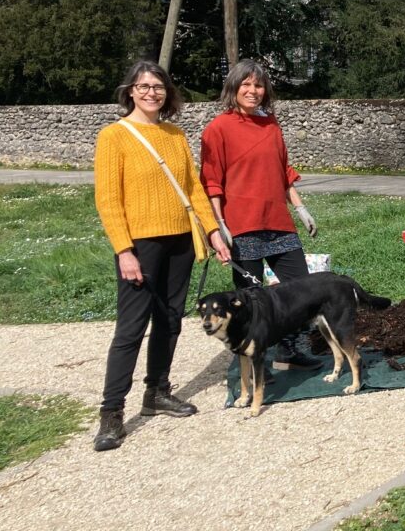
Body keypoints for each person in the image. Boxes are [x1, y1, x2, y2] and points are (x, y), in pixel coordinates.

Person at [93, 60, 231, 452]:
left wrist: (212, 232)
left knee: (170, 320)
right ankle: (111, 413)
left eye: (158, 86)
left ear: (167, 92)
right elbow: (108, 200)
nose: (152, 92)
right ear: (130, 91)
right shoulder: (114, 137)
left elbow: (193, 189)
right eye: (144, 86)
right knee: (130, 328)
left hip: (180, 242)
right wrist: (124, 250)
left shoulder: (174, 135)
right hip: (141, 245)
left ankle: (158, 392)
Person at [200, 59, 322, 370]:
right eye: (247, 85)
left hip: (279, 223)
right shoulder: (218, 129)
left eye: (258, 85)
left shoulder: (271, 126)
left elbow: (283, 173)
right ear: (234, 88)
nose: (253, 91)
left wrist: (300, 208)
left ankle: (291, 348)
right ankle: (255, 359)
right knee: (249, 301)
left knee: (299, 292)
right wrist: (220, 225)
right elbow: (212, 180)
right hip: (242, 226)